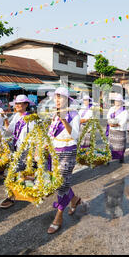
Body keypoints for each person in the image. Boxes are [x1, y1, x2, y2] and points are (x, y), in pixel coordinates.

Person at [47, 87, 82, 234]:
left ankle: (58, 216)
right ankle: (74, 199)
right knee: (58, 182)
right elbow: (51, 133)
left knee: (61, 184)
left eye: (60, 97)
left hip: (68, 151)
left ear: (67, 100)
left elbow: (74, 135)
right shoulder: (54, 115)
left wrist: (63, 119)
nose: (57, 100)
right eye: (56, 97)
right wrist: (45, 144)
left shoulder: (74, 115)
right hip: (54, 151)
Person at [0, 95, 35, 209]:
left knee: (20, 171)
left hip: (26, 149)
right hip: (16, 148)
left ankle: (13, 196)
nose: (17, 106)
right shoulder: (16, 116)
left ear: (26, 105)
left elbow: (34, 136)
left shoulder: (31, 118)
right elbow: (10, 130)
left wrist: (33, 152)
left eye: (20, 104)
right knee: (20, 170)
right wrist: (4, 119)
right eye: (16, 104)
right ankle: (21, 192)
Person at [106, 93, 129, 163]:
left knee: (120, 145)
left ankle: (120, 157)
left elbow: (124, 120)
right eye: (116, 101)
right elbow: (108, 117)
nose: (117, 102)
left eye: (118, 101)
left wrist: (116, 125)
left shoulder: (124, 111)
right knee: (111, 145)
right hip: (112, 130)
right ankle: (108, 158)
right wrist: (110, 123)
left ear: (121, 102)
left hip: (120, 130)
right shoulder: (111, 108)